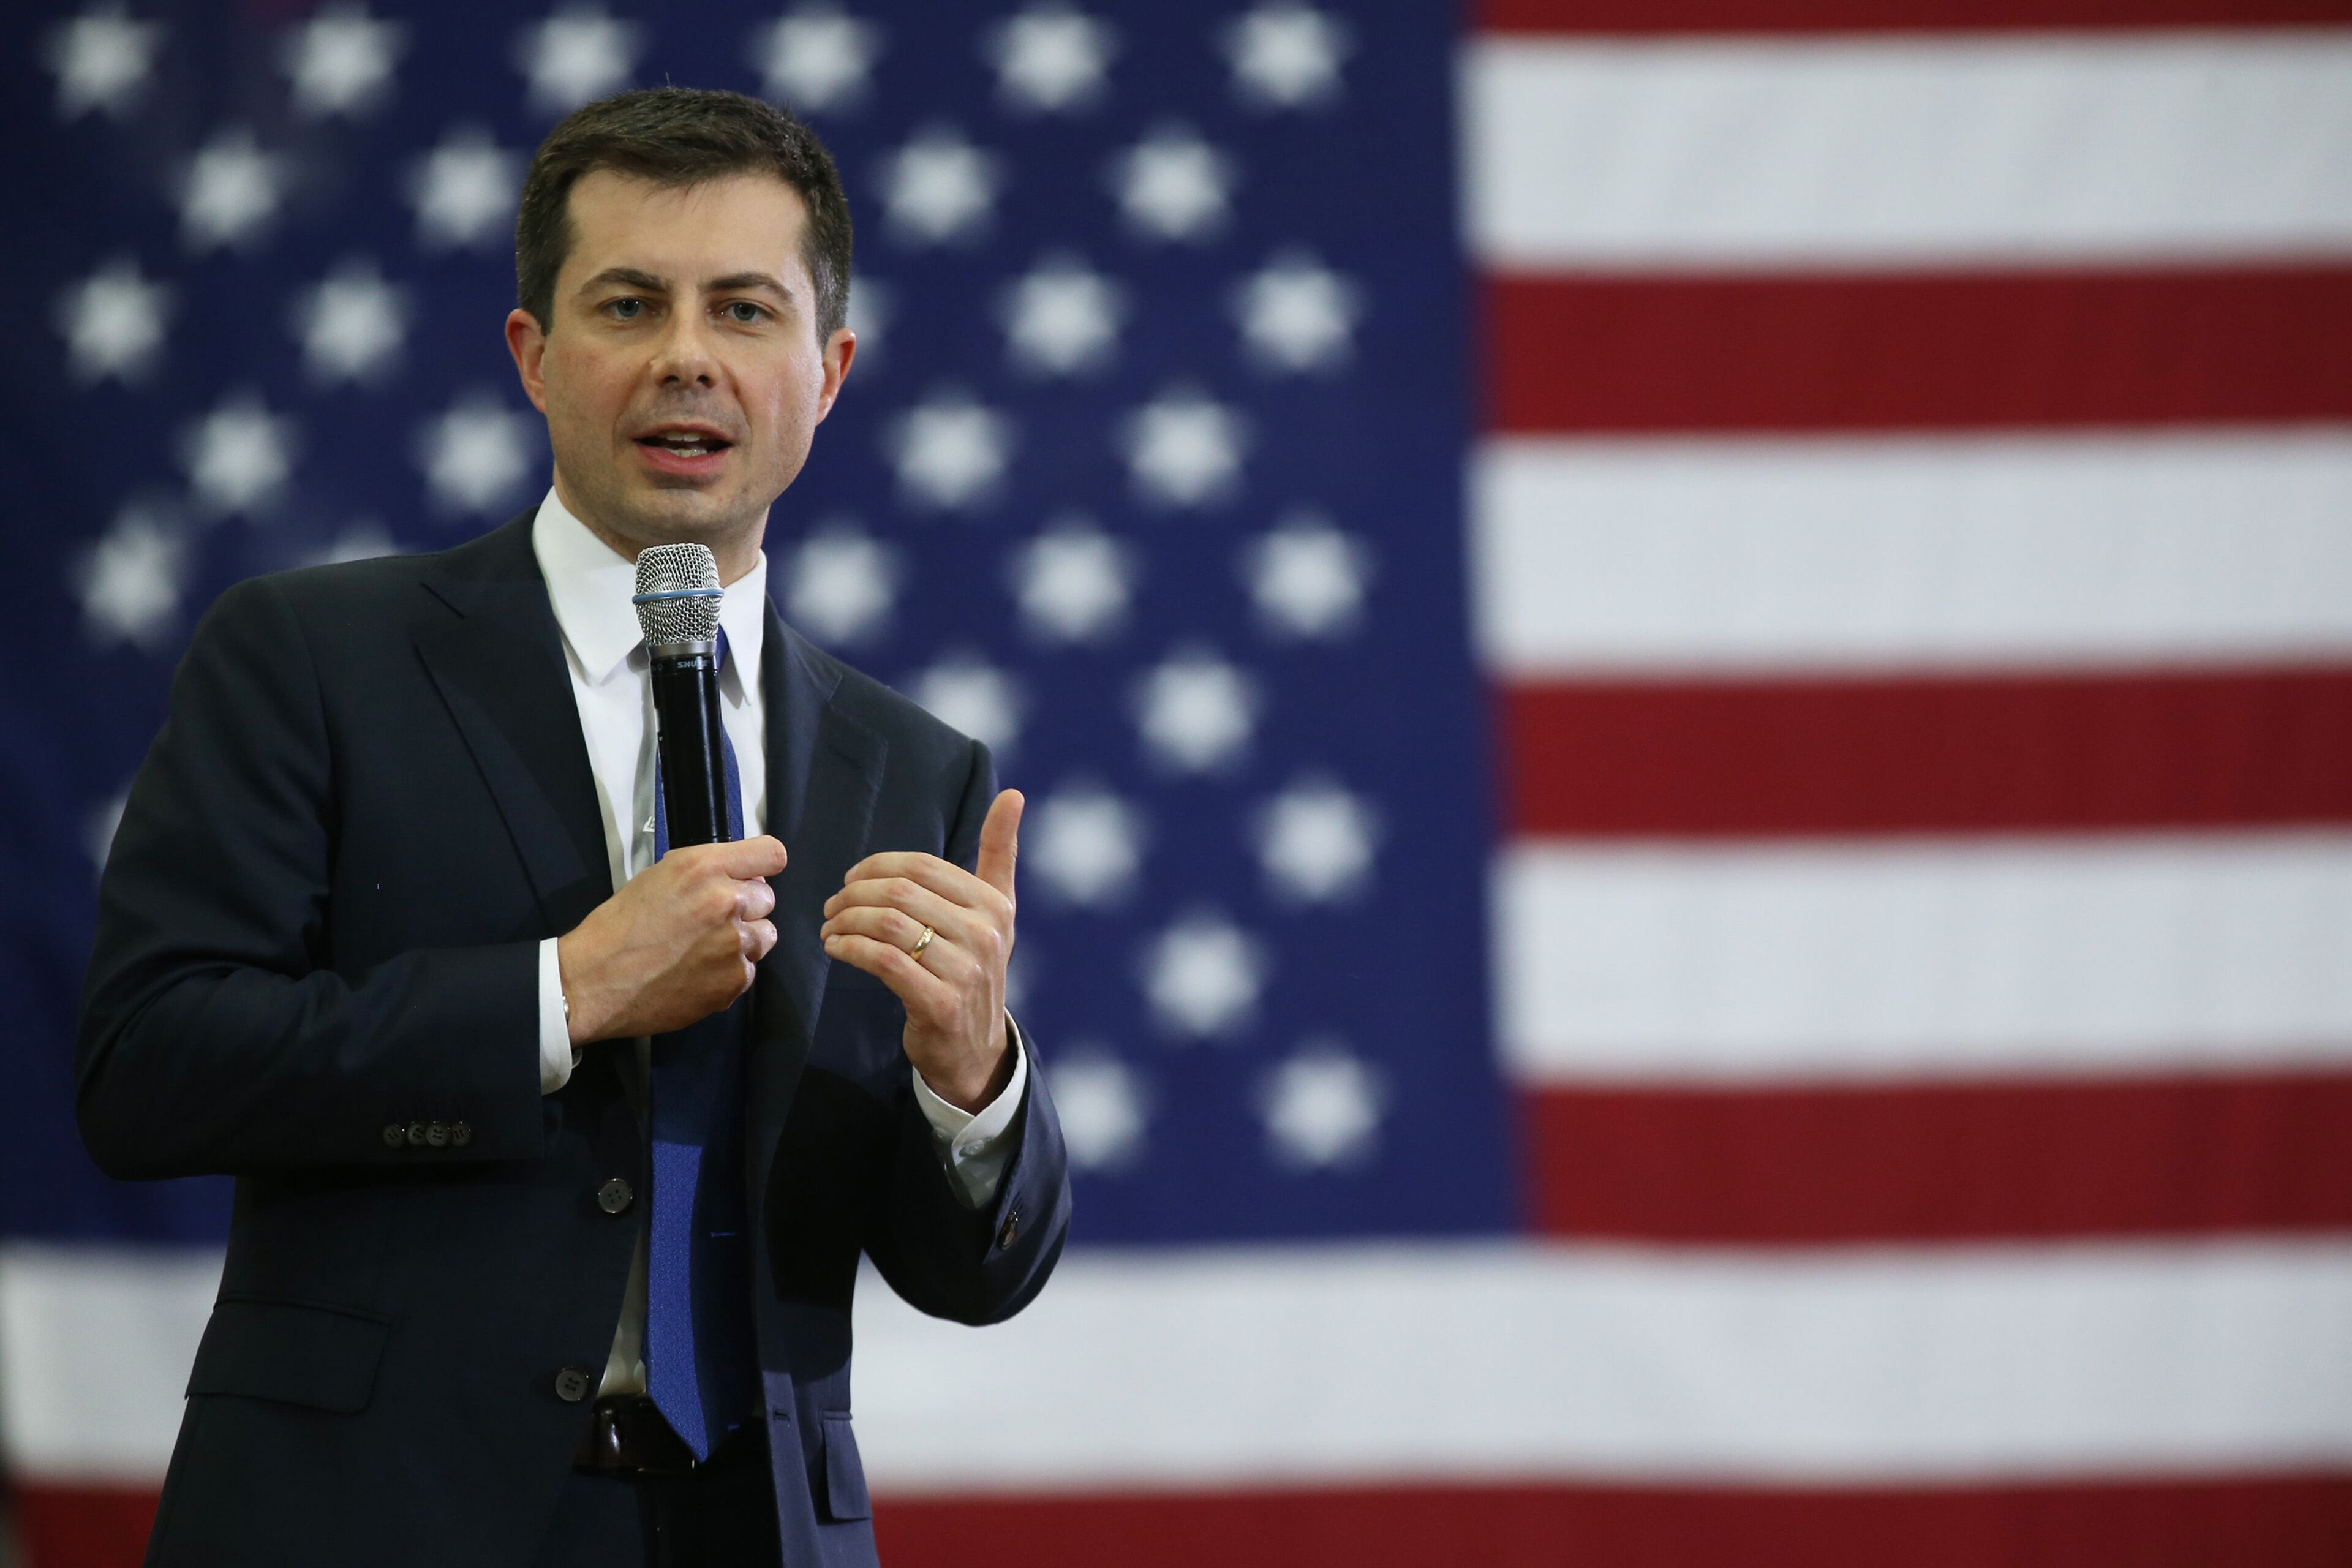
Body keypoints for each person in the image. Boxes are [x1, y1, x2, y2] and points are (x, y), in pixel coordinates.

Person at [76, 86, 1069, 1568]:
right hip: (366, 1520)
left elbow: (970, 1273)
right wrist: (565, 992)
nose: (687, 356)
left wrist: (969, 1077)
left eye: (744, 308)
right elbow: (145, 1066)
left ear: (828, 369)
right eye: (628, 303)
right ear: (535, 358)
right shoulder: (313, 654)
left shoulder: (908, 762)